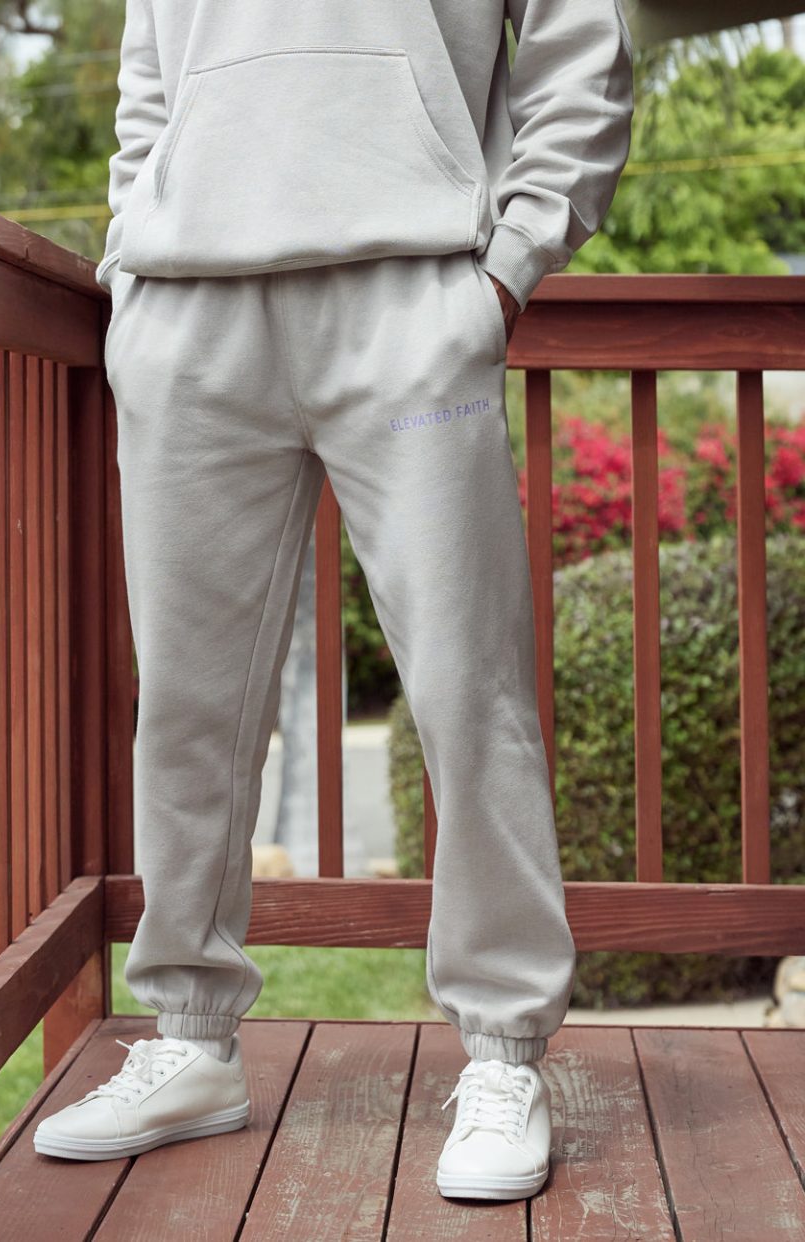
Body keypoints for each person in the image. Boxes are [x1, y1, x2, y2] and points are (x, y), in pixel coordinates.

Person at [34, 0, 634, 1201]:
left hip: (413, 304)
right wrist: (130, 256)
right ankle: (191, 1038)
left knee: (469, 689)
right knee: (188, 704)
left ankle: (504, 1052)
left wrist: (510, 265)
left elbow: (584, 41)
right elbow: (152, 75)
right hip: (188, 312)